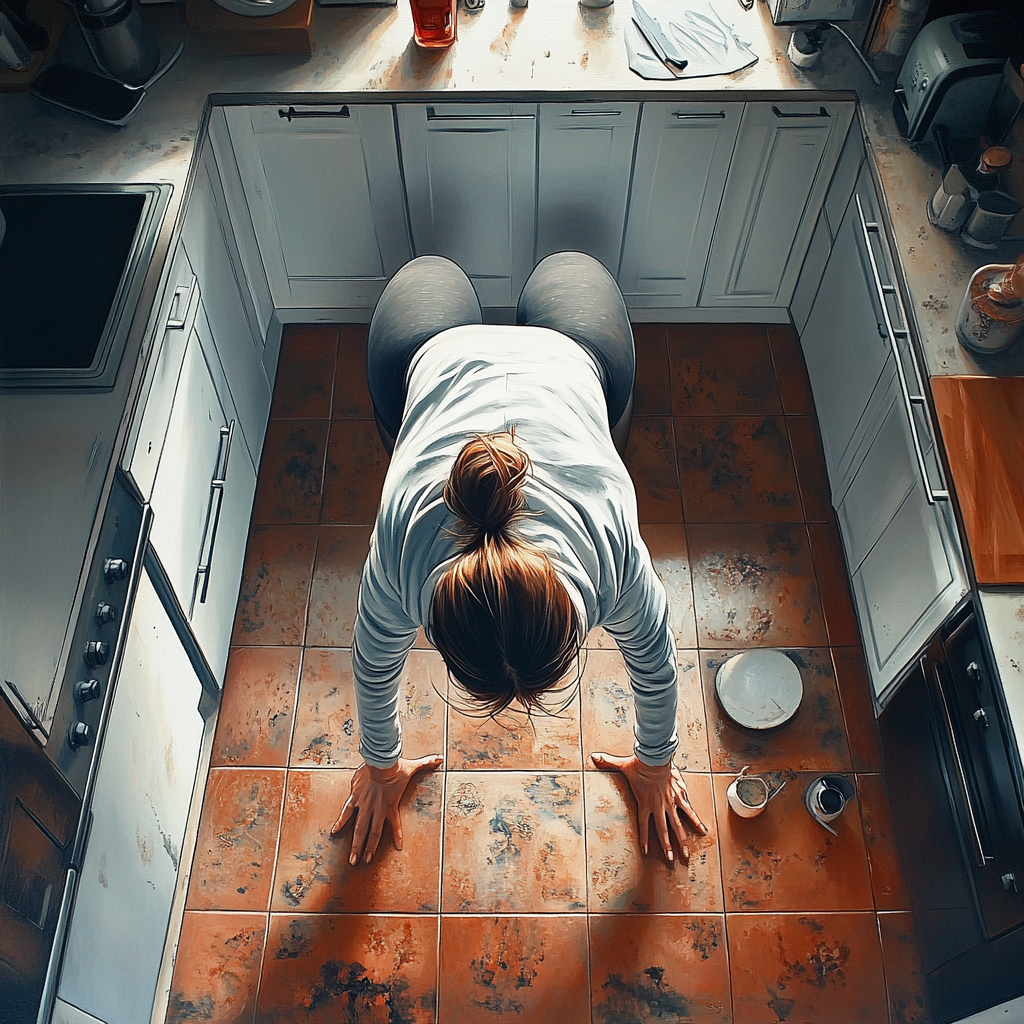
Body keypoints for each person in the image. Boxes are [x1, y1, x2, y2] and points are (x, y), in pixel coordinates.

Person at [330, 251, 709, 866]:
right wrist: (377, 770)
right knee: (562, 269)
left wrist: (657, 764)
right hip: (455, 357)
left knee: (437, 273)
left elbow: (660, 663)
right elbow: (654, 661)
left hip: (551, 357)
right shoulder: (408, 541)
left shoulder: (601, 543)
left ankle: (474, 284)